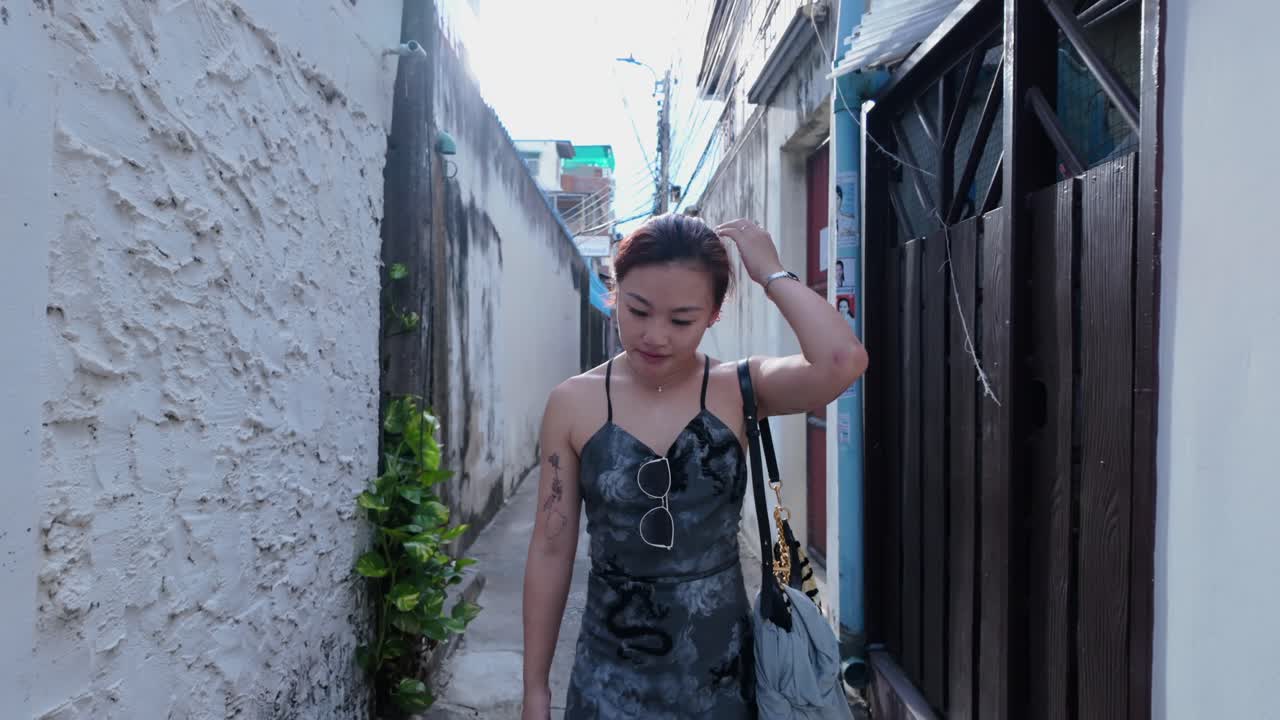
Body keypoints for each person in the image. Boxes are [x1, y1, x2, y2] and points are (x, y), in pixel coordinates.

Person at [521, 214, 868, 719]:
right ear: (615, 293)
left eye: (681, 320)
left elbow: (842, 361)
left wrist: (771, 274)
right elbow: (551, 547)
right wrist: (535, 689)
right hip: (607, 678)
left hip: (722, 676)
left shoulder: (741, 388)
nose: (655, 336)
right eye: (638, 310)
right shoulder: (573, 402)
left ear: (713, 315)